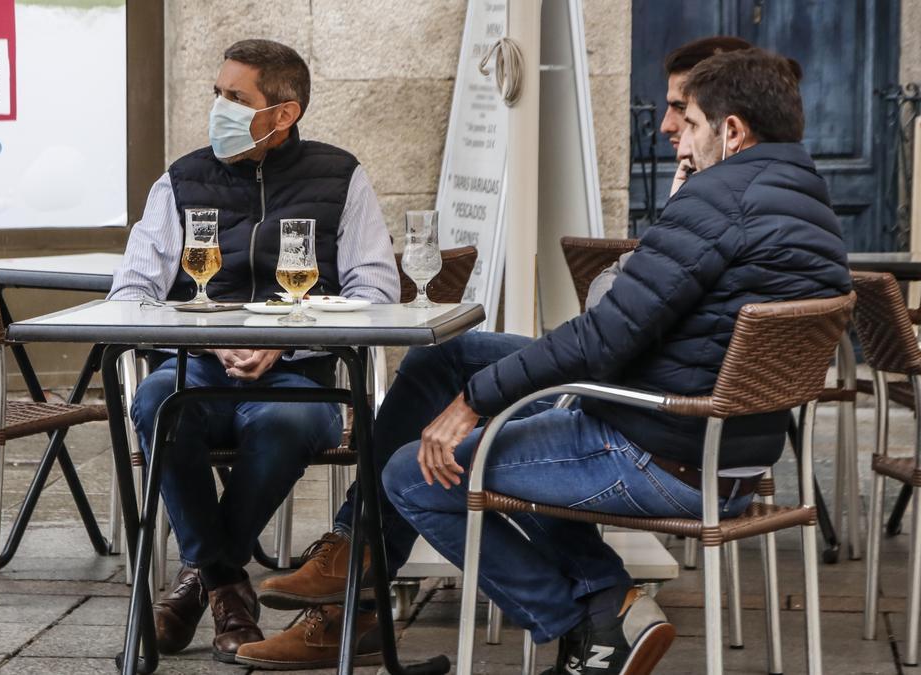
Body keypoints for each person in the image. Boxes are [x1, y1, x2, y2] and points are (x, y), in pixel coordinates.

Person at [239, 35, 763, 672]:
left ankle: (592, 612)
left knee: (428, 464)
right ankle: (361, 548)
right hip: (673, 411)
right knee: (445, 360)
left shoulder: (715, 204)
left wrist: (478, 404)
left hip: (647, 419)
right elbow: (627, 307)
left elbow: (606, 324)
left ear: (729, 126)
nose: (669, 126)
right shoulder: (772, 197)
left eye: (684, 110)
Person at [107, 39, 400, 664]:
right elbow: (131, 291)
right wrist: (210, 338)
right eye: (217, 93)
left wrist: (283, 341)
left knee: (284, 422)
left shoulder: (341, 176)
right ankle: (225, 586)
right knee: (161, 408)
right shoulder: (181, 180)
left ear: (283, 113)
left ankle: (198, 585)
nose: (218, 107)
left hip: (301, 378)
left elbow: (375, 290)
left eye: (235, 98)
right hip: (192, 368)